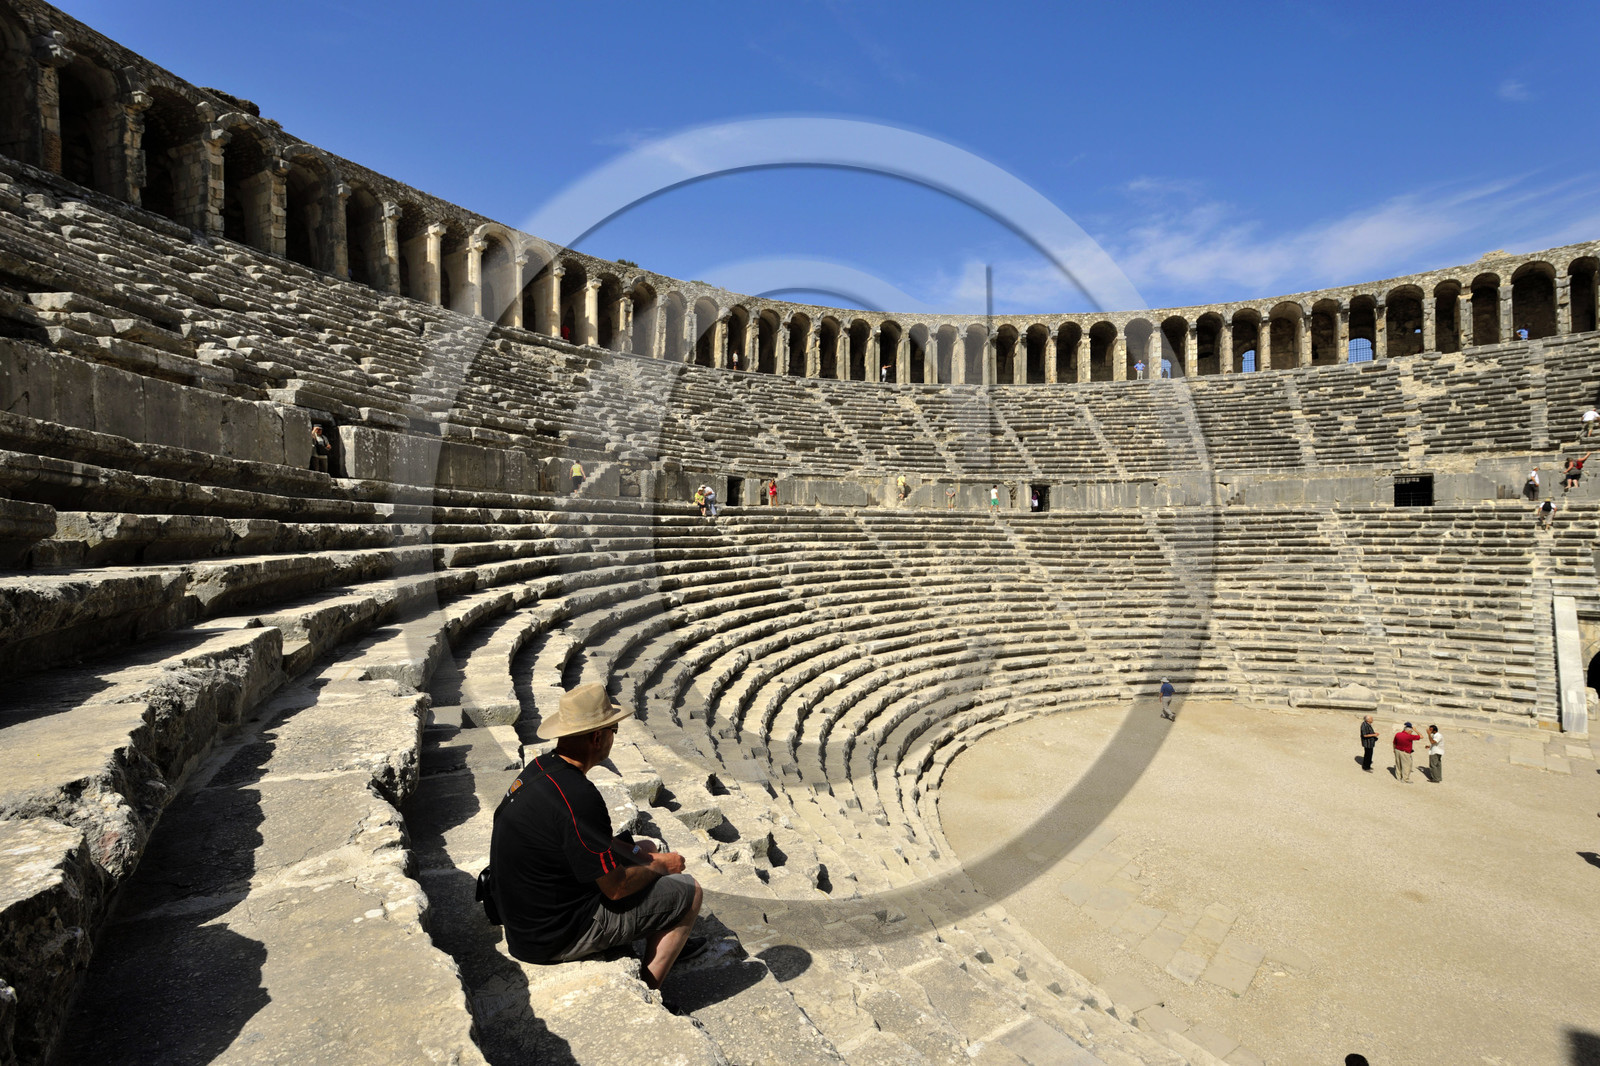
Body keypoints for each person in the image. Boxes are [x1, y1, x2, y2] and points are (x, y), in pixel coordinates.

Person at [487, 684, 704, 989]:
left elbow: (581, 839)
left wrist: (642, 854)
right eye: (614, 729)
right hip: (554, 936)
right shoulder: (579, 796)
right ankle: (651, 987)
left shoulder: (542, 768)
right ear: (597, 737)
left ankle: (669, 939)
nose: (615, 737)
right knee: (689, 890)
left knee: (643, 846)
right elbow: (615, 889)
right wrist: (661, 866)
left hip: (525, 918)